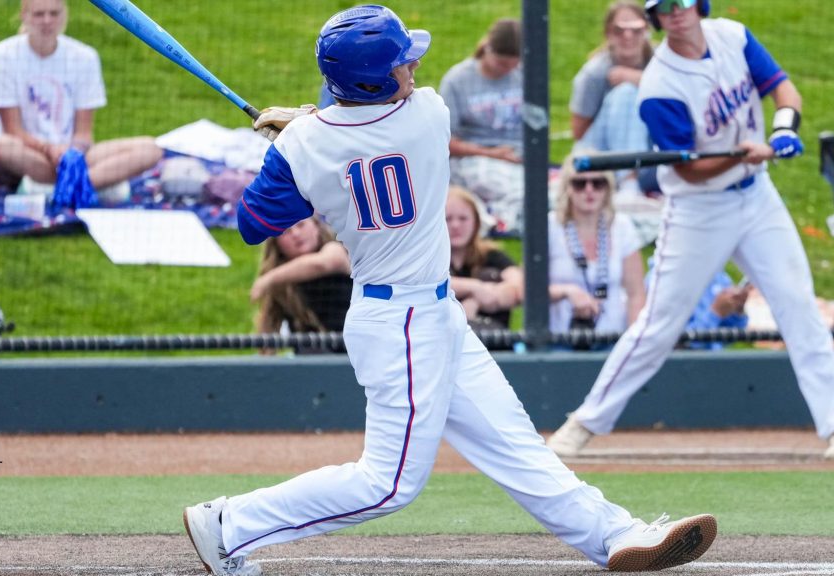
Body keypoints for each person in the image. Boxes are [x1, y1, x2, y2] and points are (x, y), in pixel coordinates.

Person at [182, 6, 717, 575]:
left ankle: (615, 534)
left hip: (421, 314)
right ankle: (229, 524)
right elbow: (362, 129)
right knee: (388, 484)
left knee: (514, 444)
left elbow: (254, 223)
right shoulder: (428, 115)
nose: (412, 67)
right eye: (401, 62)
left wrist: (291, 144)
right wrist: (309, 126)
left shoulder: (304, 148)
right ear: (374, 82)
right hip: (405, 327)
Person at [547, 0, 834, 463]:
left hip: (758, 197)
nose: (677, 12)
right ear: (656, 18)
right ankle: (584, 423)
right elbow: (690, 171)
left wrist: (782, 131)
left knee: (797, 304)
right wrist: (741, 155)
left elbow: (783, 89)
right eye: (665, 8)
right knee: (659, 325)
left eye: (684, 2)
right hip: (698, 210)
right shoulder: (659, 85)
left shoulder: (733, 36)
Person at [0, 0, 162, 197]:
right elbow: (13, 131)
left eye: (54, 13)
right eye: (39, 14)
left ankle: (63, 188)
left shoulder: (84, 57)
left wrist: (70, 154)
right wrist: (50, 149)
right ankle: (91, 183)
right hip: (30, 154)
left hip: (76, 155)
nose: (47, 21)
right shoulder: (1, 56)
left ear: (65, 15)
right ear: (23, 16)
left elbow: (84, 134)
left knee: (151, 149)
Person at [439, 18, 524, 234]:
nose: (508, 70)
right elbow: (445, 142)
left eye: (513, 64)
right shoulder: (457, 80)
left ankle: (492, 214)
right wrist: (493, 153)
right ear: (487, 49)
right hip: (474, 158)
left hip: (517, 156)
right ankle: (500, 218)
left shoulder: (524, 75)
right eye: (502, 64)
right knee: (504, 185)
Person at [548, 156, 646, 341]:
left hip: (612, 341)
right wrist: (567, 291)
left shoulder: (622, 226)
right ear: (567, 188)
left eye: (598, 183)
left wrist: (634, 342)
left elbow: (636, 294)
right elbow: (527, 290)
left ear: (608, 188)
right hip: (558, 341)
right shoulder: (550, 226)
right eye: (580, 184)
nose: (589, 190)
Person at [571, 1, 657, 195]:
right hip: (604, 157)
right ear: (608, 33)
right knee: (626, 95)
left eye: (636, 30)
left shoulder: (662, 61)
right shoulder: (595, 72)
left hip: (653, 153)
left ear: (647, 30)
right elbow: (578, 130)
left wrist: (639, 80)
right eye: (619, 30)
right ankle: (628, 182)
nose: (628, 36)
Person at [250, 216, 352, 352]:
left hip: (354, 348)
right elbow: (269, 325)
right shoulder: (282, 284)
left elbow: (327, 262)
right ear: (276, 244)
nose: (296, 234)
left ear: (316, 226)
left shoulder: (334, 248)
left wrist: (269, 279)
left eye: (301, 225)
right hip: (312, 355)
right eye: (285, 231)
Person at [446, 185, 523, 331]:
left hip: (494, 337)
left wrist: (476, 300)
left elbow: (520, 287)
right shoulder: (431, 259)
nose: (455, 225)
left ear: (476, 223)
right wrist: (475, 287)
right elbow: (425, 285)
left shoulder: (491, 254)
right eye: (448, 219)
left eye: (463, 218)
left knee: (490, 275)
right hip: (445, 336)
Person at [646, 258, 750, 351]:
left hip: (713, 362)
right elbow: (678, 345)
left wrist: (737, 310)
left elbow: (728, 336)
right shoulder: (661, 281)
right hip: (680, 364)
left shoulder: (718, 276)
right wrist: (715, 313)